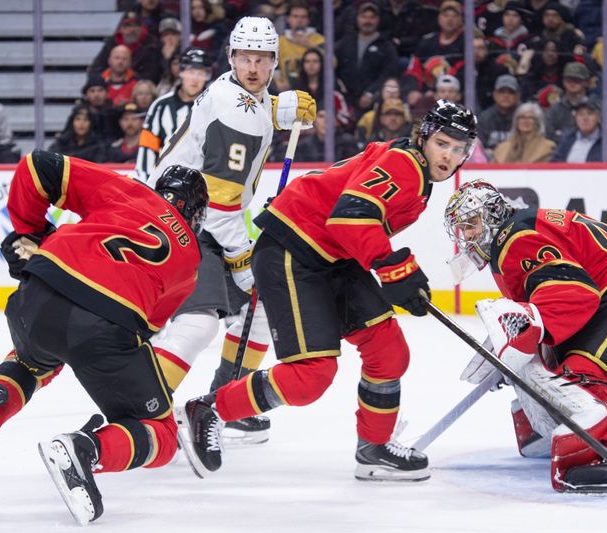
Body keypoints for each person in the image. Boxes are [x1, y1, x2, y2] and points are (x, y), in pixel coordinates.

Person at [182, 100, 479, 482]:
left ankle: (373, 449)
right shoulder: (405, 165)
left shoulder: (414, 171)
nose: (449, 156)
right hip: (294, 252)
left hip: (332, 257)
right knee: (310, 377)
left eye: (459, 149)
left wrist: (392, 269)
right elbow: (350, 216)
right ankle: (209, 408)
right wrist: (394, 268)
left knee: (388, 350)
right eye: (443, 144)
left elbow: (342, 199)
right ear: (424, 137)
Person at [0, 152, 209, 524]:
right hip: (103, 324)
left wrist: (31, 233)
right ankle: (86, 449)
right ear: (196, 215)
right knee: (162, 433)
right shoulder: (191, 264)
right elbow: (141, 330)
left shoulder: (129, 190)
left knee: (30, 360)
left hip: (38, 290)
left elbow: (36, 167)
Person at [442, 179, 607, 493]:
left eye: (471, 223)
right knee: (560, 362)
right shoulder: (519, 232)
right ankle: (544, 427)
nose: (467, 236)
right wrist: (508, 352)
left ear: (493, 212)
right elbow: (554, 310)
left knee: (580, 375)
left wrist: (519, 339)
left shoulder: (514, 238)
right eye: (462, 229)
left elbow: (573, 293)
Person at [145, 17, 317, 454]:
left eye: (262, 58)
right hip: (184, 223)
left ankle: (224, 404)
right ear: (231, 57)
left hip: (193, 216)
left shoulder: (237, 92)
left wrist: (278, 109)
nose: (253, 67)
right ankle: (143, 409)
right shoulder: (234, 110)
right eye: (245, 57)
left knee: (257, 309)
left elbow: (251, 107)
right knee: (199, 323)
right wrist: (242, 262)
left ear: (276, 62)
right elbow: (221, 206)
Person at [136, 47, 213, 182]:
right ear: (181, 72)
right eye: (191, 72)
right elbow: (147, 148)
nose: (195, 79)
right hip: (163, 181)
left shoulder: (214, 106)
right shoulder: (161, 106)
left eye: (201, 73)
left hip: (201, 183)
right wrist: (145, 184)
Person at [90, 11, 162, 85]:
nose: (132, 30)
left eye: (136, 26)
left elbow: (152, 75)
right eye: (127, 26)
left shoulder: (151, 45)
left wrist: (130, 79)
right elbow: (95, 70)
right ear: (121, 29)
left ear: (141, 28)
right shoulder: (111, 43)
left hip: (138, 88)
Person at [551, 97, 607, 162]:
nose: (585, 118)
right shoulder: (567, 138)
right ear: (575, 118)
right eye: (581, 114)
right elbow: (554, 164)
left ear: (598, 118)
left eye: (590, 114)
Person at [492, 102, 556, 163]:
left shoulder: (548, 147)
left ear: (538, 123)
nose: (526, 121)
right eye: (522, 117)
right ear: (516, 121)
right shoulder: (502, 148)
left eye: (531, 118)